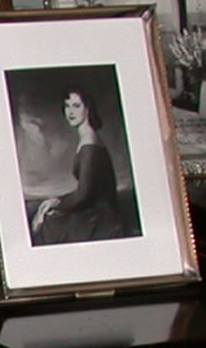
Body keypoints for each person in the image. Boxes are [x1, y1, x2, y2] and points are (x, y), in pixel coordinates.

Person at [30, 90, 137, 245]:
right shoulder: (87, 138)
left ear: (87, 109)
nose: (70, 112)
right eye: (67, 106)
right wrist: (54, 202)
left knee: (48, 221)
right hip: (93, 210)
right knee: (47, 214)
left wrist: (54, 202)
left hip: (100, 217)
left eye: (76, 106)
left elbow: (84, 195)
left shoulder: (90, 143)